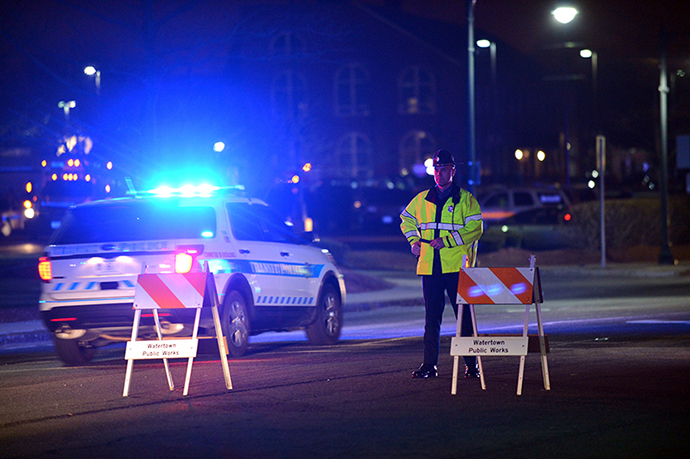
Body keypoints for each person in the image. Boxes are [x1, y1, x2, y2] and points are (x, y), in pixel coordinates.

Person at [399, 149, 483, 379]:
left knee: (463, 318)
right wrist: (413, 240)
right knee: (431, 320)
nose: (439, 174)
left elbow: (476, 229)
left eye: (443, 169)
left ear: (452, 171)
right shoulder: (423, 199)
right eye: (436, 169)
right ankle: (429, 366)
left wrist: (446, 241)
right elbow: (406, 219)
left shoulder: (466, 199)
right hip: (430, 268)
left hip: (457, 268)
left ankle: (472, 366)